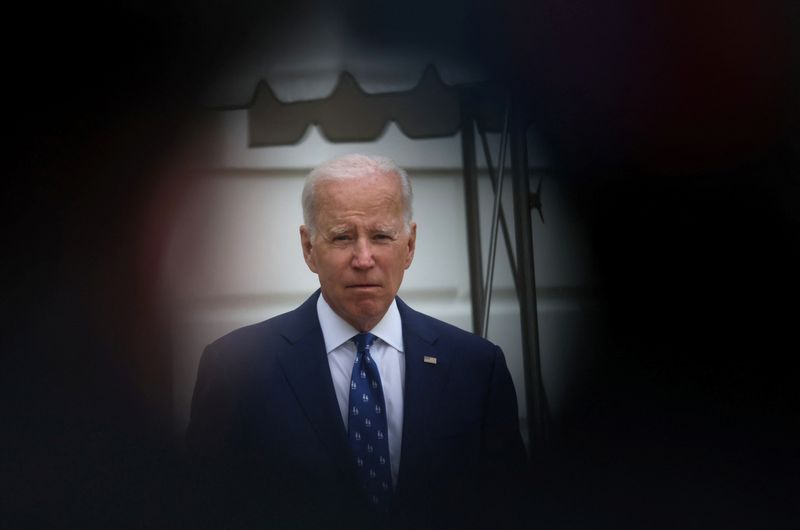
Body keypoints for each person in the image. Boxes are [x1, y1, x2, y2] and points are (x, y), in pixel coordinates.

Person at [185, 154, 528, 529]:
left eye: (381, 236)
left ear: (410, 244)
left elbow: (508, 510)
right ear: (309, 247)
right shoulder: (235, 369)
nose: (363, 258)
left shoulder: (477, 368)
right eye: (343, 237)